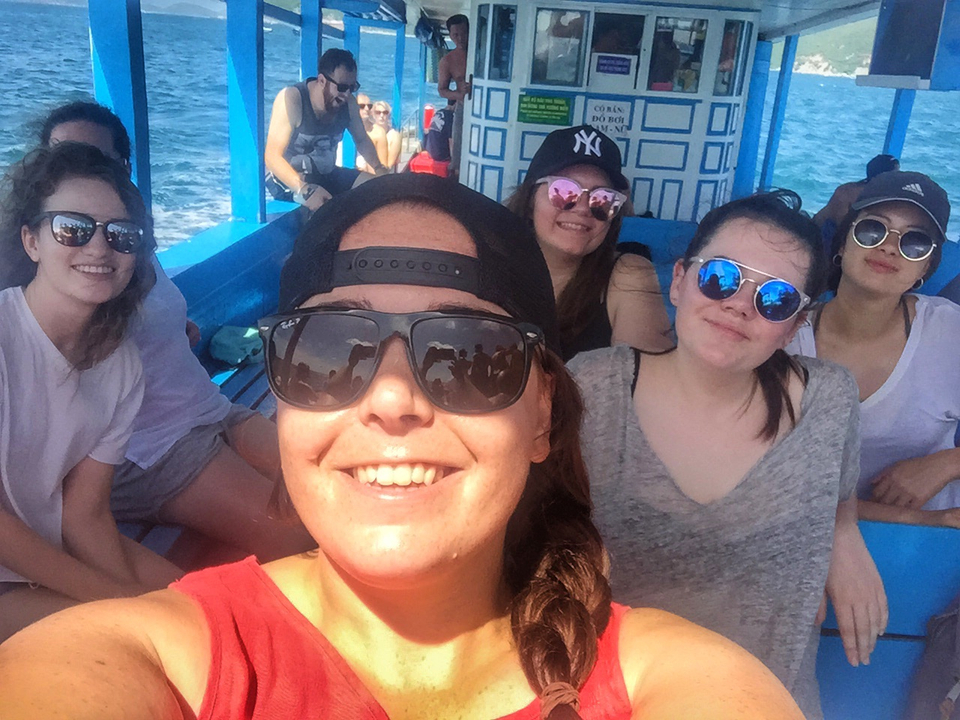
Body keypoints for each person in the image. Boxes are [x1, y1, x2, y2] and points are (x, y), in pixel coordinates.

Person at [0, 174, 805, 720]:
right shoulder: (153, 661)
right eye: (327, 349)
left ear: (542, 415)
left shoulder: (678, 685)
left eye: (467, 353)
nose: (391, 399)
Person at [570, 190, 887, 719]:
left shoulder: (829, 400)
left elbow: (838, 498)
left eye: (776, 299)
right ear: (679, 280)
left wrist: (844, 534)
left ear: (794, 326)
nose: (739, 304)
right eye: (721, 277)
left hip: (767, 705)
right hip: (607, 702)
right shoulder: (593, 386)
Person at [40, 101, 315, 568]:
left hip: (210, 409)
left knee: (328, 481)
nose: (77, 172)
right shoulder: (54, 263)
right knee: (301, 536)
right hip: (153, 450)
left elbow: (147, 316)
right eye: (60, 158)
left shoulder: (127, 239)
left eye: (94, 159)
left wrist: (173, 329)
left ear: (124, 169)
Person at [0, 143, 183, 641]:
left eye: (121, 234)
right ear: (31, 241)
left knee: (206, 607)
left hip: (45, 545)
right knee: (145, 635)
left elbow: (85, 514)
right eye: (72, 228)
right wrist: (126, 607)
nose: (99, 248)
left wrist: (135, 599)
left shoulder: (120, 363)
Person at [788, 171, 960, 526]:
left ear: (926, 267)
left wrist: (948, 463)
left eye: (915, 242)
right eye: (872, 229)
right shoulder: (782, 335)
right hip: (806, 534)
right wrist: (923, 518)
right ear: (842, 244)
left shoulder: (949, 332)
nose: (889, 247)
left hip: (929, 545)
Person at [504, 125, 671, 360]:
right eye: (563, 191)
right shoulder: (490, 267)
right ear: (531, 201)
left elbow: (640, 374)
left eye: (602, 198)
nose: (583, 208)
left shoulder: (629, 274)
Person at [265, 48, 387, 211]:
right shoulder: (293, 99)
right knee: (325, 209)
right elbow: (272, 156)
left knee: (379, 189)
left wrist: (379, 169)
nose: (346, 95)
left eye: (352, 87)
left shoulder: (348, 104)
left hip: (327, 175)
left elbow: (361, 140)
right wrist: (303, 188)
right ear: (322, 80)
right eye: (342, 87)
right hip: (290, 180)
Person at [813, 153, 900, 241]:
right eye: (895, 175)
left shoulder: (886, 195)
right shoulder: (848, 192)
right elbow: (841, 229)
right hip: (823, 233)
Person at [438, 13, 470, 178]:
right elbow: (442, 90)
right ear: (450, 35)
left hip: (487, 107)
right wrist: (459, 94)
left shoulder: (484, 54)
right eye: (456, 35)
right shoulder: (448, 61)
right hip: (463, 108)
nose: (460, 38)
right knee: (458, 154)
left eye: (464, 33)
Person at [371, 100, 401, 171]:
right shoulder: (369, 131)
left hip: (385, 172)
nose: (381, 116)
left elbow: (389, 165)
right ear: (373, 114)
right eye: (378, 112)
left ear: (389, 115)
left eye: (385, 113)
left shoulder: (394, 135)